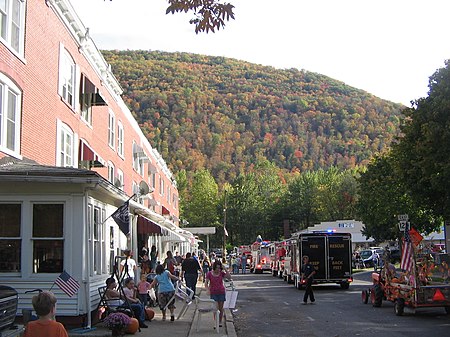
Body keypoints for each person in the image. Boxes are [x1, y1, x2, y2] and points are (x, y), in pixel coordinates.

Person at [205, 260, 232, 328]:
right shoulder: (209, 274)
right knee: (215, 308)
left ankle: (219, 321)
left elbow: (229, 277)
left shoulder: (221, 273)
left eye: (219, 268)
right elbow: (206, 283)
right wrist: (208, 289)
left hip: (221, 292)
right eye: (217, 268)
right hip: (213, 292)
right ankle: (216, 322)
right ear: (214, 267)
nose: (218, 269)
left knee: (221, 308)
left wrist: (225, 268)